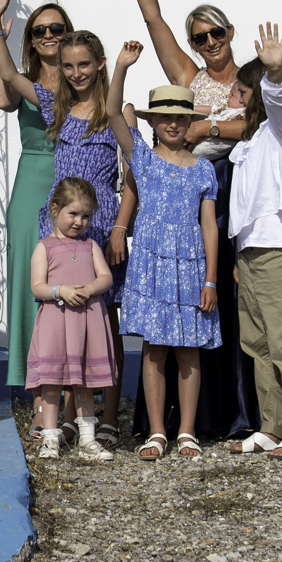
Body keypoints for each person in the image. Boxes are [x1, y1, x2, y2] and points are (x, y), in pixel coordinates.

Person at [119, 0, 256, 440]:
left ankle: (234, 413)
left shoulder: (251, 79)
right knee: (175, 311)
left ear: (230, 34)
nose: (208, 43)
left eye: (216, 34)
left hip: (231, 187)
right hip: (186, 188)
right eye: (200, 37)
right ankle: (171, 421)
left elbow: (255, 124)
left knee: (224, 301)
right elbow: (152, 19)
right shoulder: (186, 74)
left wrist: (206, 125)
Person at [13, 28, 133, 442]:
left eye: (84, 64)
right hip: (60, 218)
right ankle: (67, 416)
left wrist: (119, 229)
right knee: (64, 319)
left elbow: (133, 178)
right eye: (68, 66)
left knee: (104, 319)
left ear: (99, 64)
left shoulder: (119, 111)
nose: (76, 72)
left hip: (99, 221)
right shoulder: (57, 107)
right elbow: (11, 77)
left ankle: (110, 416)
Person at [105, 48, 219, 462]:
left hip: (190, 267)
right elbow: (114, 111)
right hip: (151, 265)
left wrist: (211, 279)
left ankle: (186, 430)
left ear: (190, 122)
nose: (172, 122)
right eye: (164, 116)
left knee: (188, 348)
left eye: (180, 116)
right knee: (154, 349)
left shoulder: (203, 169)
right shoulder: (144, 159)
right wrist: (120, 67)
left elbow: (210, 225)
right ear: (153, 121)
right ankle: (156, 431)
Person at [226, 27, 282, 461]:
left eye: (241, 94)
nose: (234, 101)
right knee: (259, 346)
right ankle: (272, 425)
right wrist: (239, 256)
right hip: (253, 253)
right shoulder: (250, 141)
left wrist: (276, 73)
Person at [0, 0, 77, 396]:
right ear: (31, 40)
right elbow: (1, 95)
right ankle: (29, 374)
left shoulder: (83, 75)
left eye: (56, 27)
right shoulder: (22, 80)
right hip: (31, 178)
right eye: (39, 31)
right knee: (28, 272)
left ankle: (71, 373)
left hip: (74, 175)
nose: (48, 35)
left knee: (69, 271)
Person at [26, 178, 117, 461]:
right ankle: (50, 438)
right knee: (52, 383)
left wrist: (90, 288)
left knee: (85, 383)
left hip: (86, 323)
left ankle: (88, 439)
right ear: (55, 209)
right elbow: (37, 286)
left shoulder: (90, 246)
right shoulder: (45, 247)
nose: (79, 222)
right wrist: (60, 291)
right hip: (56, 321)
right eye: (73, 214)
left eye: (86, 216)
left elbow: (106, 277)